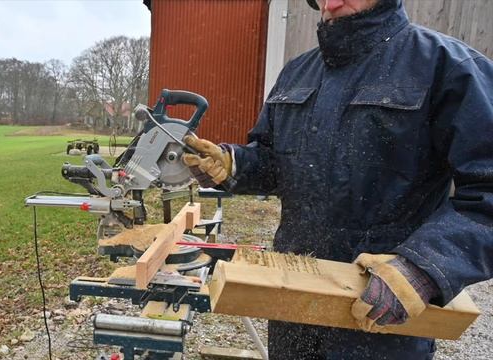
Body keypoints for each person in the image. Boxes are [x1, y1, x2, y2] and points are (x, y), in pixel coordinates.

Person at [182, 0, 493, 358]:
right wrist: (234, 164)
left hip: (381, 312)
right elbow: (274, 162)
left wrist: (423, 268)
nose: (331, 3)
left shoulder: (446, 67)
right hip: (292, 295)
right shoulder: (297, 73)